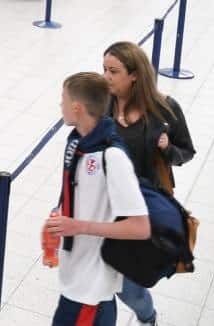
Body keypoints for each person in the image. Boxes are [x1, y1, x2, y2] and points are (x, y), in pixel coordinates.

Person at [101, 42, 196, 326]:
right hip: (106, 204)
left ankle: (148, 317)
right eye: (104, 69)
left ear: (134, 75)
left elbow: (186, 151)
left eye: (113, 71)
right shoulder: (102, 104)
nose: (106, 76)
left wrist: (168, 150)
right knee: (100, 282)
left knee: (130, 288)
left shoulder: (165, 109)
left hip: (143, 211)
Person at [45, 72, 150, 326]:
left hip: (91, 290)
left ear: (76, 107)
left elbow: (140, 227)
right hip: (76, 281)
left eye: (63, 99)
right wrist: (59, 218)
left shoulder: (112, 157)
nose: (60, 105)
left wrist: (79, 226)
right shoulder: (78, 143)